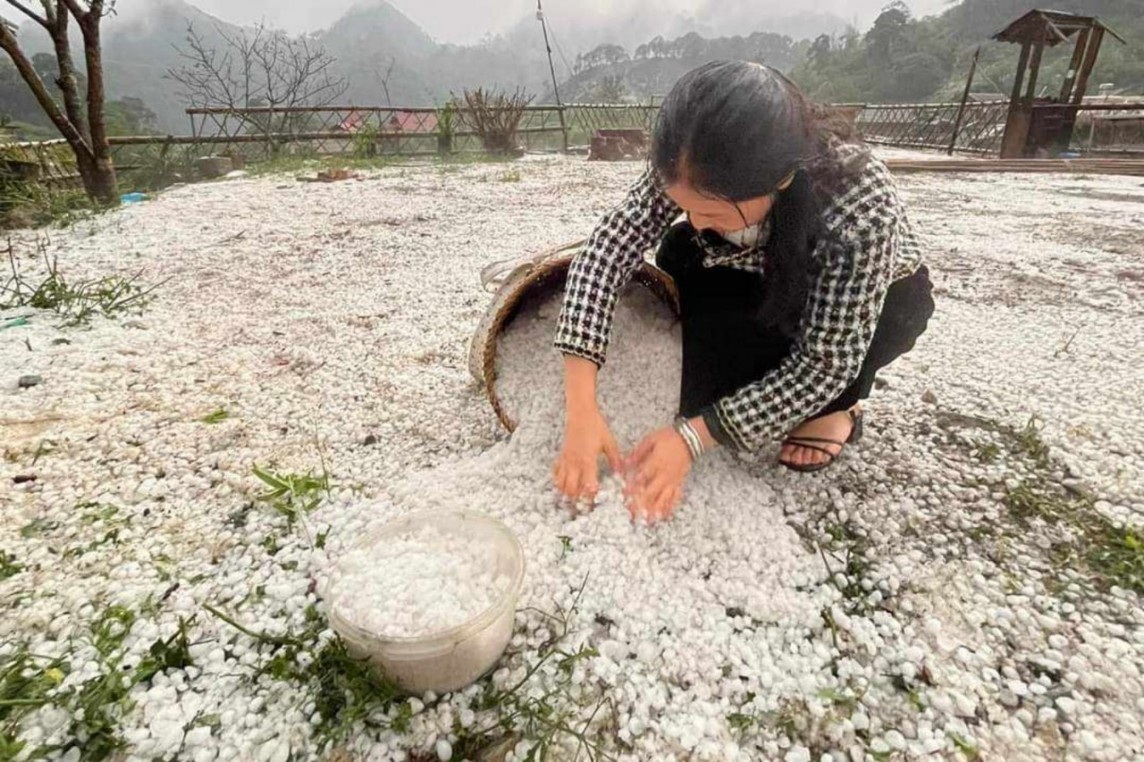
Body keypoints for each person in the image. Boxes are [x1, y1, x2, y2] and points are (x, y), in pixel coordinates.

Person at [552, 61, 935, 522]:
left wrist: (692, 438)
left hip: (862, 296)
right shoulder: (691, 155)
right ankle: (757, 378)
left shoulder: (859, 203)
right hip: (751, 267)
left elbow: (827, 360)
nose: (693, 220)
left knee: (896, 313)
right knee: (682, 259)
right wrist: (580, 407)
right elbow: (609, 249)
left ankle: (838, 410)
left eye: (712, 210)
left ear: (780, 179)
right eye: (683, 206)